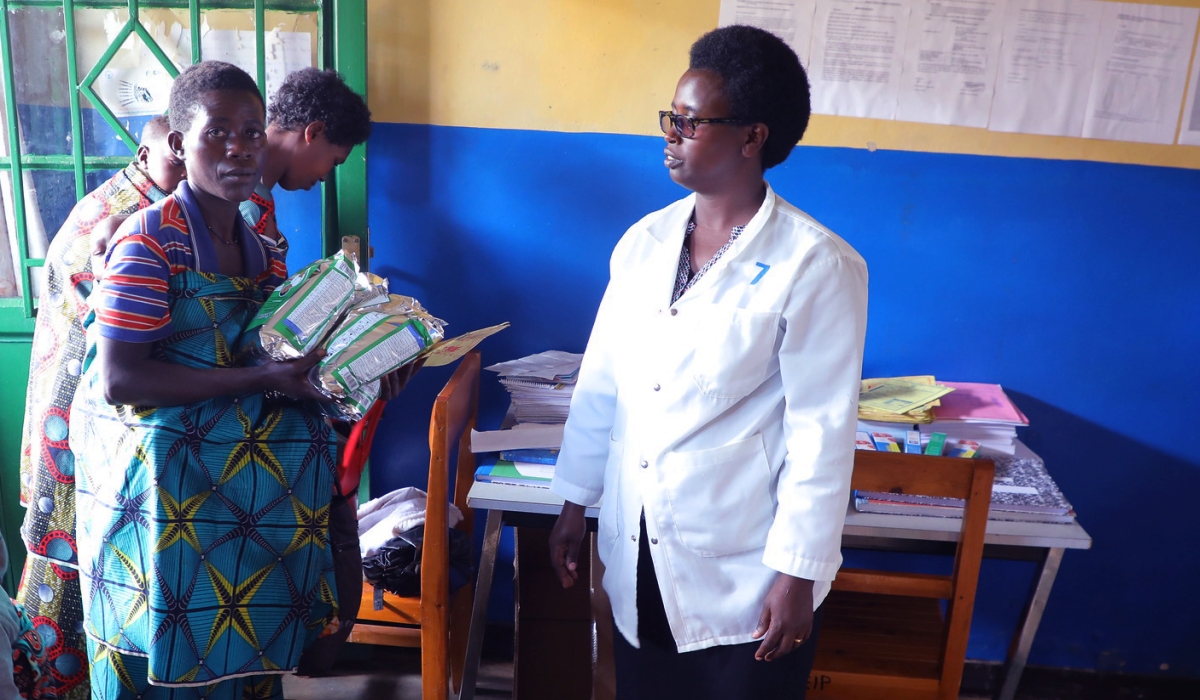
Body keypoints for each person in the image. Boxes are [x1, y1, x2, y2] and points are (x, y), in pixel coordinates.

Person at [547, 25, 869, 700]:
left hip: (746, 570)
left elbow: (821, 431)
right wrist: (576, 500)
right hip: (641, 549)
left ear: (753, 138)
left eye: (691, 123)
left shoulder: (816, 264)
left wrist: (798, 573)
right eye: (672, 117)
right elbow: (602, 380)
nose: (670, 134)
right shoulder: (645, 242)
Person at [69, 60, 340, 700]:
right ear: (177, 144)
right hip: (160, 503)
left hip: (238, 504)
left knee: (238, 668)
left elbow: (266, 360)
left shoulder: (259, 250)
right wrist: (260, 380)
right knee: (162, 663)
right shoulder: (149, 243)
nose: (240, 148)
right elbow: (121, 379)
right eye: (217, 132)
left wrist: (348, 372)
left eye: (251, 131)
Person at [15, 113, 185, 700]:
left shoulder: (141, 203)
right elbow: (125, 358)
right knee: (64, 586)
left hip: (81, 416)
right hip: (76, 425)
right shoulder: (121, 221)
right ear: (169, 148)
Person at [239, 67, 372, 264]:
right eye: (334, 162)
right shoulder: (243, 203)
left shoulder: (255, 193)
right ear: (315, 132)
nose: (324, 177)